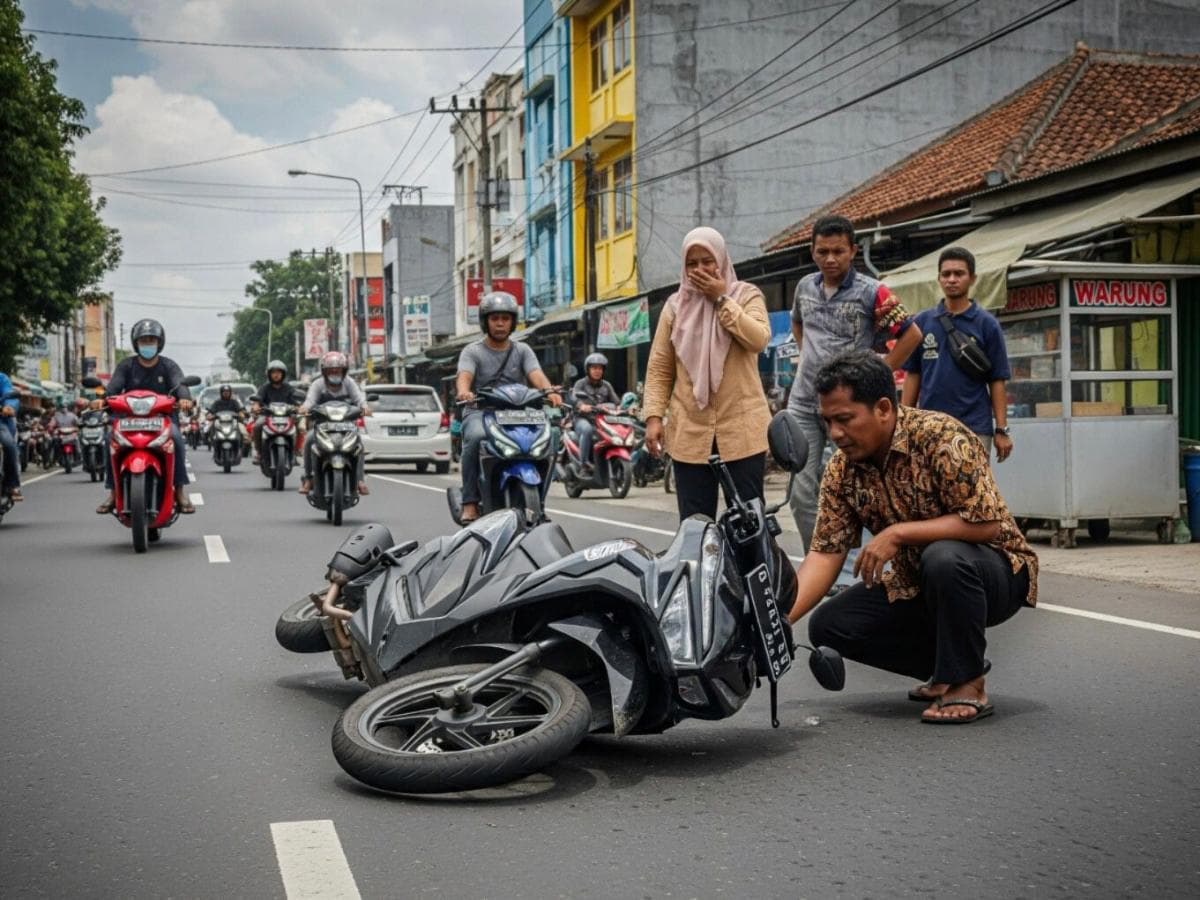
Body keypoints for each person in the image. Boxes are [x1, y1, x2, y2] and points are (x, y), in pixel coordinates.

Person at [787, 351, 1037, 724]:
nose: (835, 434)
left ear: (884, 408)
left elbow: (988, 524)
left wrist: (899, 533)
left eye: (844, 420)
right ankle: (947, 668)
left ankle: (968, 682)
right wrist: (775, 622)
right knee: (829, 625)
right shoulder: (841, 469)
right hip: (918, 584)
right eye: (827, 422)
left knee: (943, 557)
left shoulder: (941, 437)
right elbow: (825, 553)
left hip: (994, 576)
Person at [786, 215, 923, 550]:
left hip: (850, 411)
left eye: (838, 251)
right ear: (812, 251)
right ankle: (819, 563)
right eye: (822, 252)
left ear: (853, 251)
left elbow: (912, 335)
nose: (830, 259)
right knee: (801, 496)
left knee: (858, 491)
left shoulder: (874, 292)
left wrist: (878, 374)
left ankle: (856, 571)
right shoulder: (805, 287)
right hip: (804, 404)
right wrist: (808, 358)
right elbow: (797, 323)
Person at [642, 226, 771, 520]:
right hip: (689, 432)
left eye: (707, 261)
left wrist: (722, 299)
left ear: (721, 260)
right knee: (695, 527)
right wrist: (653, 418)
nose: (699, 269)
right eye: (692, 263)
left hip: (742, 431)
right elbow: (660, 367)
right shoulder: (674, 307)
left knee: (749, 524)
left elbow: (758, 339)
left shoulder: (746, 295)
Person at [455, 291, 562, 523]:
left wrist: (550, 391)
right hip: (481, 411)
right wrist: (465, 391)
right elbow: (464, 376)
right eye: (495, 318)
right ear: (486, 322)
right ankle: (470, 501)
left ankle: (539, 501)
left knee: (551, 434)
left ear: (513, 322)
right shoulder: (472, 351)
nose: (501, 323)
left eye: (505, 318)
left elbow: (537, 375)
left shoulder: (522, 350)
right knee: (473, 437)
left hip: (518, 413)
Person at [901, 246, 1013, 462]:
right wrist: (904, 425)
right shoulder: (922, 323)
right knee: (930, 492)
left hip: (974, 428)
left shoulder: (987, 324)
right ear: (939, 279)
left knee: (972, 494)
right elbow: (913, 375)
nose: (952, 279)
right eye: (946, 274)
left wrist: (1001, 429)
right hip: (929, 428)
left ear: (972, 279)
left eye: (959, 274)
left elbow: (998, 379)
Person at [95, 318, 195, 514]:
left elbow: (180, 385)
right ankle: (113, 492)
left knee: (176, 438)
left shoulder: (169, 366)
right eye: (144, 340)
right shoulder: (126, 365)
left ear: (159, 343)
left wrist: (184, 399)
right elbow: (113, 387)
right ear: (136, 343)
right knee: (109, 440)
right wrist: (102, 400)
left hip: (162, 419)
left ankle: (180, 492)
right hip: (128, 420)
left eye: (152, 340)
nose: (148, 344)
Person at [298, 351, 371, 497]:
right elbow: (310, 401)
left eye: (338, 370)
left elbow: (359, 399)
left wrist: (365, 407)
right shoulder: (318, 384)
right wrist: (304, 408)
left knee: (359, 444)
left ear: (344, 371)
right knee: (309, 440)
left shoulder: (349, 383)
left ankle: (360, 480)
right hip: (323, 426)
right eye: (331, 370)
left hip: (347, 426)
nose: (335, 373)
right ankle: (308, 478)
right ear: (324, 372)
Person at [570, 352, 621, 474]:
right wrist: (581, 405)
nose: (597, 371)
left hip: (601, 420)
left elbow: (616, 402)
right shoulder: (580, 383)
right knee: (587, 430)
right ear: (588, 369)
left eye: (600, 368)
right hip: (582, 419)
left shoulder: (607, 386)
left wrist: (621, 409)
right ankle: (584, 465)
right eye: (594, 368)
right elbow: (573, 397)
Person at [250, 360, 296, 463]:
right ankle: (259, 452)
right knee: (257, 425)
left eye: (279, 372)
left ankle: (295, 452)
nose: (276, 375)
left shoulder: (289, 388)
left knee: (299, 426)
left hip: (286, 416)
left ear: (283, 374)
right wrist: (256, 406)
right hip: (267, 416)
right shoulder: (264, 388)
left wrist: (299, 407)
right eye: (273, 372)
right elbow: (257, 400)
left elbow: (296, 401)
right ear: (269, 374)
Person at [0, 370, 22, 503]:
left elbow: (10, 395)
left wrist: (8, 407)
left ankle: (13, 485)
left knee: (8, 444)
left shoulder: (1, 378)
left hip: (1, 422)